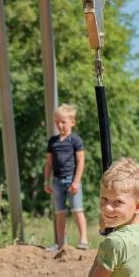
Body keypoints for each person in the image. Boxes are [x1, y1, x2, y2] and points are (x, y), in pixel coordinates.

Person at [43, 103, 89, 252]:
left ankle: (84, 240)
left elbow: (81, 161)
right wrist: (46, 180)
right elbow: (49, 163)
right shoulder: (53, 141)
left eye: (63, 122)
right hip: (56, 181)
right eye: (57, 122)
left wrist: (76, 181)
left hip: (72, 181)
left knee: (77, 210)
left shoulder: (76, 140)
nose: (60, 125)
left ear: (72, 122)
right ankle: (61, 243)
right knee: (59, 213)